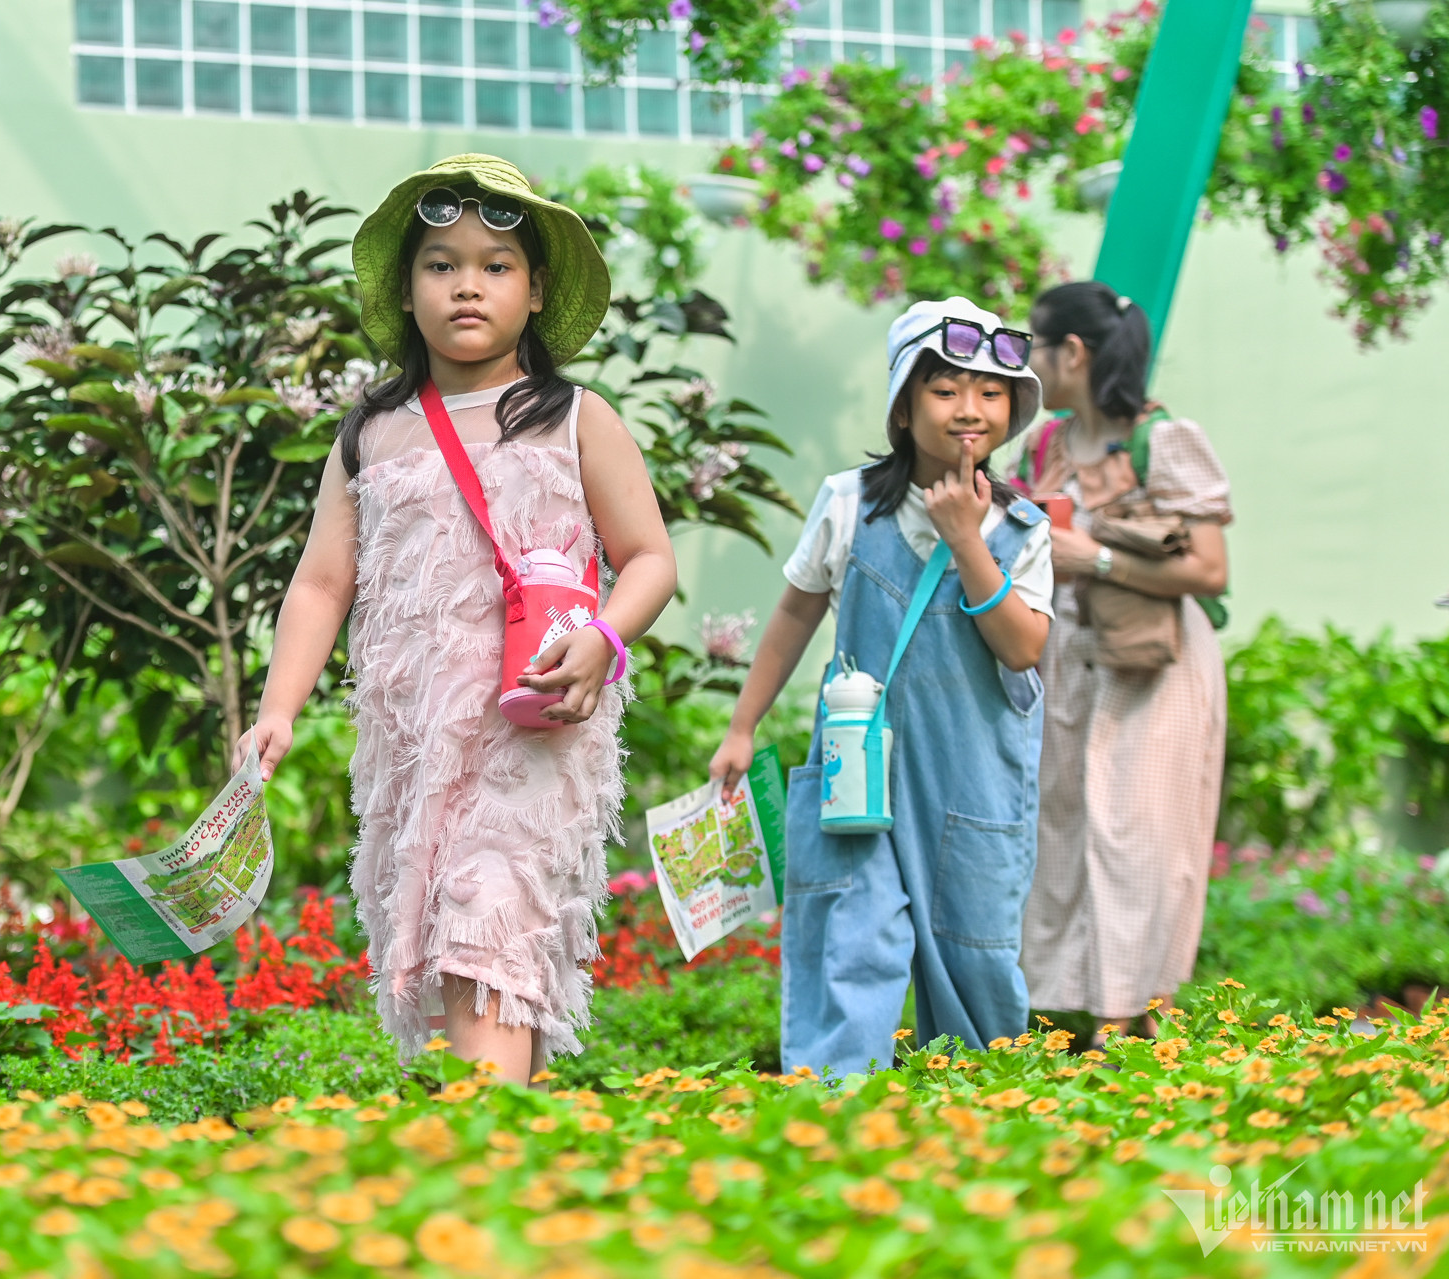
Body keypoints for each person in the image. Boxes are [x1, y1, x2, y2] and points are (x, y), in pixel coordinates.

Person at [236, 154, 677, 1084]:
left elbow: (650, 560)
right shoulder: (370, 430)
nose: (466, 284)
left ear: (536, 288)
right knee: (448, 961)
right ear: (406, 290)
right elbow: (321, 584)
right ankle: (512, 1172)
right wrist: (277, 706)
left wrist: (603, 638)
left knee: (488, 936)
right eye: (441, 264)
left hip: (535, 732)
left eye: (495, 265)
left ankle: (479, 1177)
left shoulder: (575, 417)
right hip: (413, 744)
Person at [710, 298, 1053, 1078]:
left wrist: (969, 542)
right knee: (850, 940)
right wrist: (742, 725)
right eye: (944, 389)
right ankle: (834, 1109)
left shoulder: (1023, 530)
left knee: (976, 959)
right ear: (903, 408)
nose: (970, 408)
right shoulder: (847, 503)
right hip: (855, 777)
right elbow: (795, 612)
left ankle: (983, 1110)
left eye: (991, 392)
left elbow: (1024, 646)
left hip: (973, 786)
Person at [1012, 281, 1231, 1040]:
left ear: (1071, 351)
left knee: (1141, 832)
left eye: (1034, 345)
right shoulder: (1040, 445)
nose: (1028, 363)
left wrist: (1095, 557)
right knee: (1066, 826)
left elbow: (1209, 570)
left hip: (1155, 663)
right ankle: (1076, 1012)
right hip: (1067, 657)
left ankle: (1131, 1022)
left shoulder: (1162, 437)